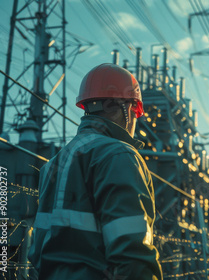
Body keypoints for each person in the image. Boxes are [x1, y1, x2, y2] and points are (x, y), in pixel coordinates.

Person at [28, 63, 162, 279]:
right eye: (136, 113)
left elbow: (37, 249)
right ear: (128, 109)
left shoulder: (54, 163)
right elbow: (132, 252)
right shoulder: (119, 155)